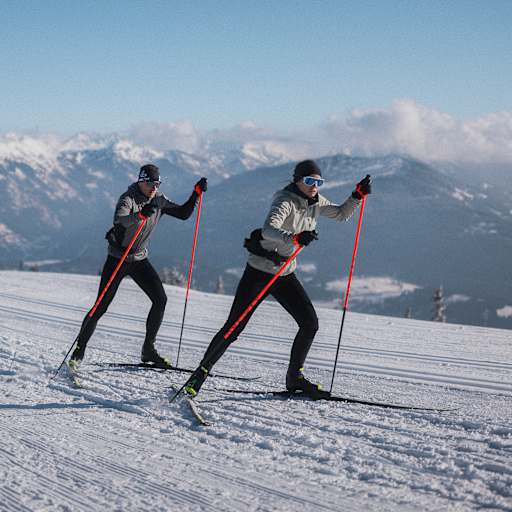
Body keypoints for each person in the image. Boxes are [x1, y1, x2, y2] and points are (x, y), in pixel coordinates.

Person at [182, 160, 371, 398]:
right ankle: (199, 374)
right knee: (234, 327)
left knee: (310, 324)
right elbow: (269, 229)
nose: (314, 186)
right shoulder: (285, 200)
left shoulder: (316, 202)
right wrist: (294, 238)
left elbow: (341, 214)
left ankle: (295, 378)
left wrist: (356, 196)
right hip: (260, 272)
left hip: (284, 273)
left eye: (319, 182)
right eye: (309, 181)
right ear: (297, 181)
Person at [69, 164, 207, 370]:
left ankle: (148, 350)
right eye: (151, 184)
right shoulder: (128, 199)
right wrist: (140, 215)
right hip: (118, 259)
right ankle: (79, 350)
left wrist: (195, 194)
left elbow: (183, 213)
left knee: (160, 300)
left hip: (139, 259)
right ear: (141, 181)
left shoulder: (158, 200)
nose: (154, 188)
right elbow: (120, 220)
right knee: (101, 306)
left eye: (157, 184)